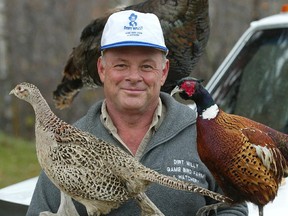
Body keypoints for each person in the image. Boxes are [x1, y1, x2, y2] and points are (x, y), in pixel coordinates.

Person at [26, 10, 248, 216]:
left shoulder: (204, 134)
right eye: (121, 65)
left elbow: (234, 207)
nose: (134, 76)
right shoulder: (65, 142)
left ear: (164, 72)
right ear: (102, 70)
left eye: (146, 66)